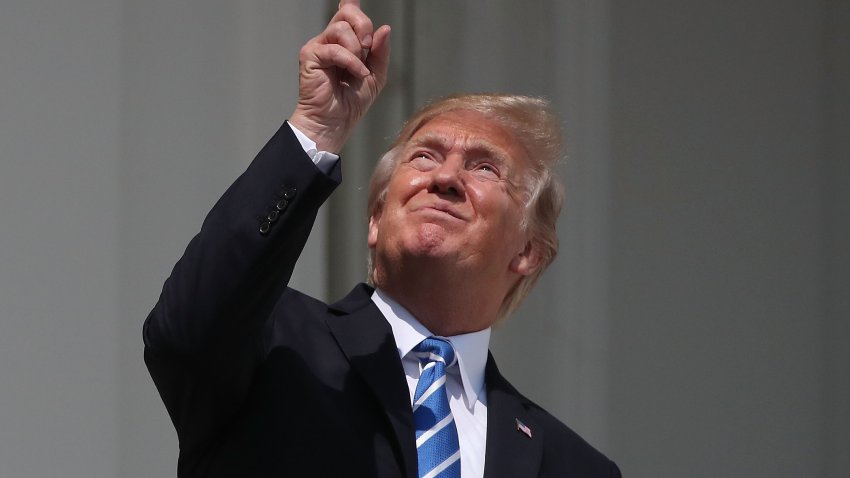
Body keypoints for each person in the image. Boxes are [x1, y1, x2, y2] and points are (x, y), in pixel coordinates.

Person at [144, 1, 621, 477]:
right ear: (375, 219)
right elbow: (182, 333)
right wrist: (316, 127)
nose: (446, 177)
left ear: (528, 252)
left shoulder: (573, 465)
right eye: (424, 158)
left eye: (484, 167)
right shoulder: (274, 341)